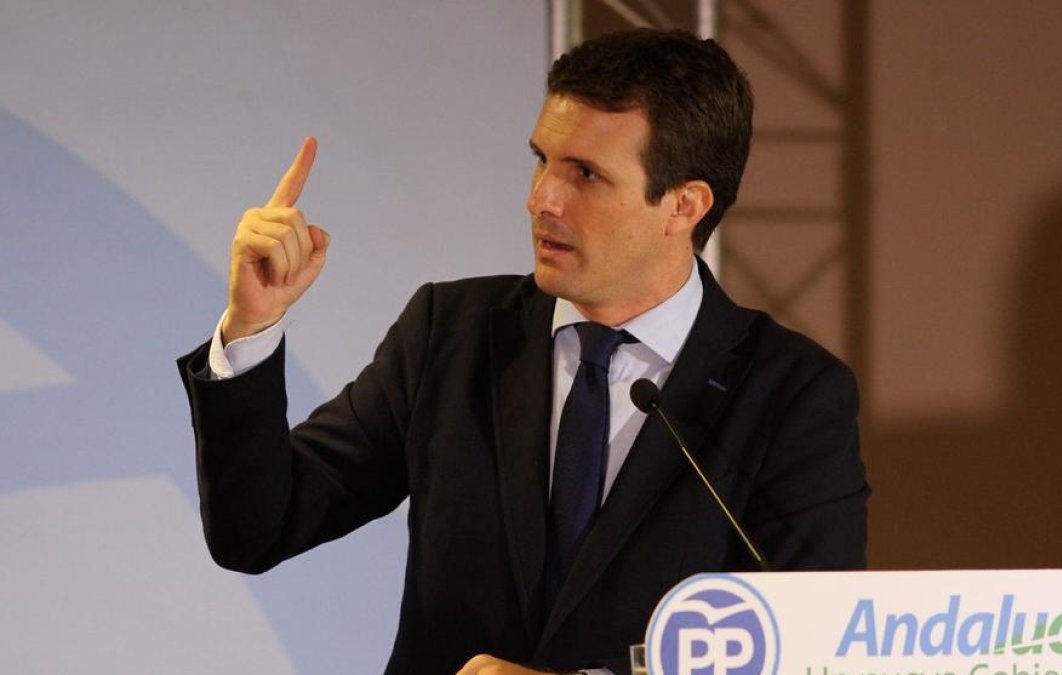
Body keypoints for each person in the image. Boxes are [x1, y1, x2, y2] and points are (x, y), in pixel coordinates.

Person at [178, 28, 868, 675]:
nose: (542, 199)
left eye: (586, 175)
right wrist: (251, 329)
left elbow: (808, 653)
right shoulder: (450, 333)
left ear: (684, 206)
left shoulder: (791, 395)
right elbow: (256, 528)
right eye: (542, 161)